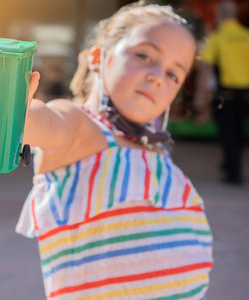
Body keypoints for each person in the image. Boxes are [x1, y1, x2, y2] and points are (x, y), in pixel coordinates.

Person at [15, 2, 213, 299]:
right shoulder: (79, 127)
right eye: (145, 56)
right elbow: (37, 123)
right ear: (98, 57)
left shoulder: (156, 153)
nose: (158, 76)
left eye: (174, 75)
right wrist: (13, 108)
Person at [194, 1, 249, 185]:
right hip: (246, 94)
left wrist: (199, 100)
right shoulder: (246, 36)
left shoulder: (216, 38)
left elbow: (205, 70)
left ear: (219, 15)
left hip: (226, 94)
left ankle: (233, 171)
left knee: (227, 133)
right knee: (239, 132)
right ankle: (232, 165)